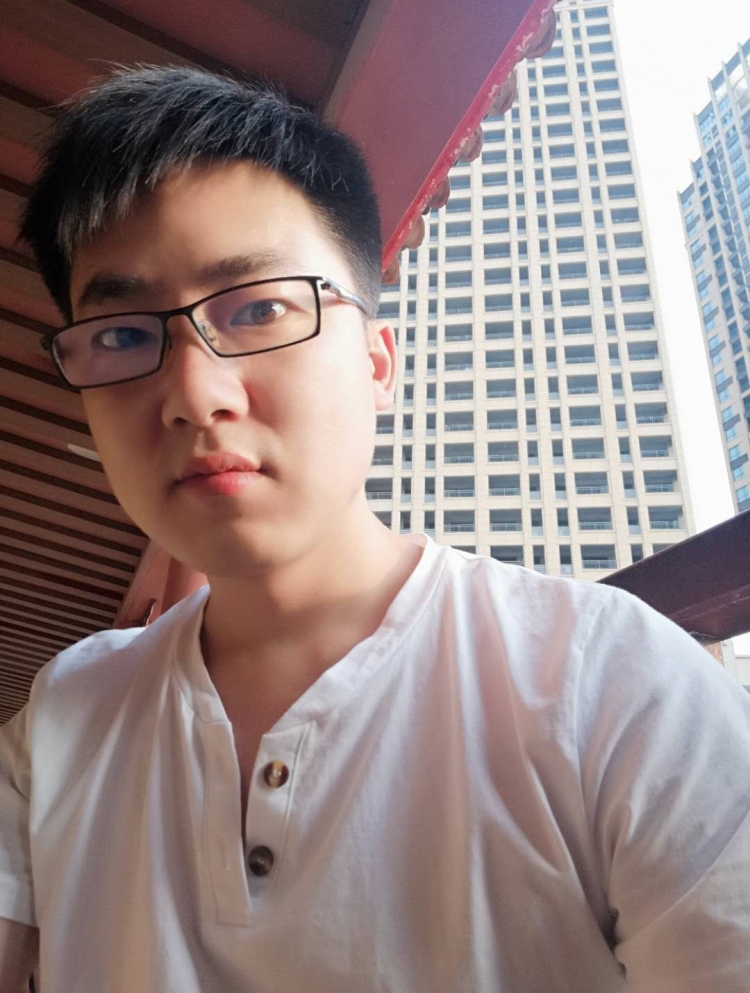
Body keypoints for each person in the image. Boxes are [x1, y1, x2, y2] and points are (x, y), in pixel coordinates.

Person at [1, 64, 749, 993]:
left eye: (259, 309)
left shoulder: (616, 688)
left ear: (377, 360)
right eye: (121, 336)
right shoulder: (64, 718)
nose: (195, 394)